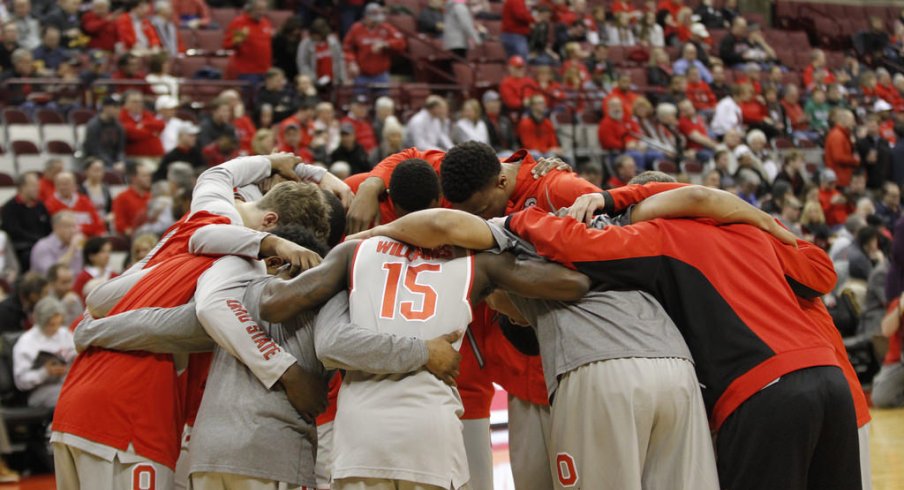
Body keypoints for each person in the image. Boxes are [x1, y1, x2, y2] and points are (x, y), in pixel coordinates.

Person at [470, 184, 861, 490]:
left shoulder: (657, 237)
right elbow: (821, 273)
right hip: (831, 381)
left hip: (762, 392)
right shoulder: (751, 232)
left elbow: (574, 244)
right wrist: (766, 222)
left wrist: (519, 220)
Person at [52, 155, 331, 490]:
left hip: (77, 399)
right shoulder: (242, 261)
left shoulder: (205, 215)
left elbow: (101, 298)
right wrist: (287, 371)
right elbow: (203, 317)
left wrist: (283, 164)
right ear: (271, 227)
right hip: (130, 414)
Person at [13, 296, 75, 408]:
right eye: (51, 325)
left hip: (67, 382)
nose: (55, 328)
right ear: (41, 322)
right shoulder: (26, 343)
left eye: (58, 323)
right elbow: (21, 381)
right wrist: (45, 372)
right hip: (40, 390)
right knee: (71, 397)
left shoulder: (65, 333)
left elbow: (74, 355)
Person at [343, 3, 406, 88]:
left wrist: (386, 44)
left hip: (381, 74)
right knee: (360, 100)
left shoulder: (385, 27)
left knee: (382, 100)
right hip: (362, 74)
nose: (377, 22)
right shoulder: (356, 28)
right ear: (366, 17)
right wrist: (351, 62)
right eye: (374, 19)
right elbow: (347, 48)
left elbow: (401, 42)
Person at [2, 172, 52, 269]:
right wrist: (39, 241)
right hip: (23, 247)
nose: (37, 189)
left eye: (38, 185)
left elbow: (48, 227)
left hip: (43, 244)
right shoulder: (10, 207)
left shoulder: (40, 205)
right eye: (33, 185)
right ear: (22, 187)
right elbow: (14, 232)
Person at [223, 0, 272, 83]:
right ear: (249, 9)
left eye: (264, 9)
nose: (262, 12)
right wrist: (237, 42)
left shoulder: (265, 22)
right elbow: (226, 45)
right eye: (259, 9)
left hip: (265, 70)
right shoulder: (238, 22)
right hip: (247, 71)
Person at [297, 17, 346, 88]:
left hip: (334, 82)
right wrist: (312, 79)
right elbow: (302, 64)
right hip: (314, 84)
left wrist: (342, 78)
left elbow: (340, 60)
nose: (314, 36)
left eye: (317, 34)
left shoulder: (333, 42)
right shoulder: (305, 44)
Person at [120, 90, 165, 163]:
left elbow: (161, 125)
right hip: (137, 158)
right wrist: (151, 132)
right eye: (134, 102)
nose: (138, 104)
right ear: (125, 103)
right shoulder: (122, 116)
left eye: (140, 102)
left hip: (158, 156)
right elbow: (132, 133)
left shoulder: (146, 114)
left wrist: (143, 126)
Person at [82, 95, 126, 169]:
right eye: (115, 108)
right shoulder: (93, 125)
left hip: (113, 160)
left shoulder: (118, 126)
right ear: (105, 108)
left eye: (119, 108)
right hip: (96, 160)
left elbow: (120, 149)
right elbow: (95, 149)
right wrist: (111, 164)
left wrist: (120, 161)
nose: (118, 111)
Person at [112, 162, 153, 236]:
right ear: (134, 178)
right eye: (144, 176)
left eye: (149, 175)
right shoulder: (122, 198)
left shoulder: (152, 196)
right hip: (134, 237)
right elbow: (120, 226)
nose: (149, 178)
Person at [825, 109, 861, 188]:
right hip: (839, 178)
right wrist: (855, 160)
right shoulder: (838, 135)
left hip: (843, 176)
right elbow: (838, 157)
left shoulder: (843, 134)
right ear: (844, 120)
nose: (854, 123)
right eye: (852, 120)